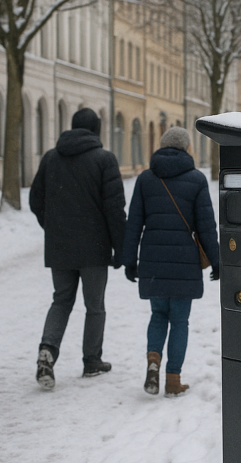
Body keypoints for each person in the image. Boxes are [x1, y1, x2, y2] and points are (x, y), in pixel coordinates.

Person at [30, 108, 126, 389]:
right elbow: (114, 209)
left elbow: (36, 199)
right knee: (94, 306)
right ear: (96, 130)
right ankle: (92, 360)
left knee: (61, 300)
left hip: (60, 247)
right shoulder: (104, 160)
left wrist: (53, 227)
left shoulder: (51, 158)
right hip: (94, 249)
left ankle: (48, 349)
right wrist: (121, 248)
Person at [122, 127, 219, 397]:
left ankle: (153, 360)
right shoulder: (197, 180)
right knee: (179, 321)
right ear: (187, 148)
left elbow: (134, 224)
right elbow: (206, 227)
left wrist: (130, 260)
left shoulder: (145, 179)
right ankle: (173, 380)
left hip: (152, 261)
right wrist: (217, 260)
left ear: (162, 147)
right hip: (184, 262)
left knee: (157, 315)